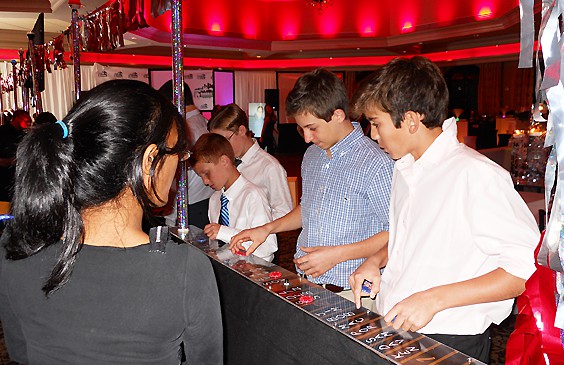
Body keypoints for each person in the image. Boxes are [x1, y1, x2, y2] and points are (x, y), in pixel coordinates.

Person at [0, 80, 222, 365]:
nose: (179, 167)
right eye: (178, 154)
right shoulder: (185, 270)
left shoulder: (16, 248)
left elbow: (20, 352)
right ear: (149, 160)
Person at [348, 56, 538, 363]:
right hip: (399, 326)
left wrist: (434, 299)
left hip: (450, 338)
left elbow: (526, 269)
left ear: (410, 120)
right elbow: (410, 236)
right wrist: (375, 260)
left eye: (376, 123)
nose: (373, 135)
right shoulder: (404, 165)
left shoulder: (475, 175)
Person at [231, 68, 394, 308]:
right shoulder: (312, 155)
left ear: (338, 115)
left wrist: (337, 255)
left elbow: (396, 233)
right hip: (307, 284)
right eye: (301, 129)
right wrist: (266, 229)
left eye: (312, 128)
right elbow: (307, 208)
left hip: (353, 293)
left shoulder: (376, 162)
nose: (306, 138)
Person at [189, 133, 277, 262]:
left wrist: (224, 232)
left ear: (224, 161)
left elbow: (267, 248)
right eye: (201, 177)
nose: (205, 182)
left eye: (207, 173)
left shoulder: (253, 196)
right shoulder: (215, 200)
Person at [208, 103, 293, 221]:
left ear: (241, 130)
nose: (220, 148)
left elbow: (284, 213)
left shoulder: (269, 167)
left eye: (225, 140)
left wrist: (253, 224)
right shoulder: (226, 161)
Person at [158, 80, 213, 229]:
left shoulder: (186, 130)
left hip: (188, 207)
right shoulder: (204, 122)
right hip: (206, 201)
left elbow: (178, 177)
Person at [0, 109, 31, 202]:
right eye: (26, 121)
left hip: (19, 176)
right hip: (3, 176)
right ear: (17, 119)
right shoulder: (2, 132)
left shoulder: (25, 134)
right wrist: (10, 161)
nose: (29, 124)